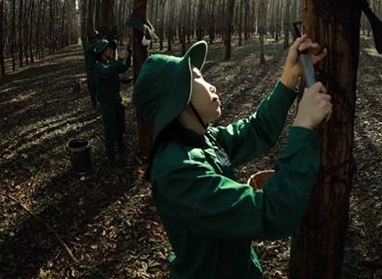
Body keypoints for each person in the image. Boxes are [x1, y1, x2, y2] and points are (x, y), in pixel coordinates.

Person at [133, 35, 331, 279]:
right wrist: (303, 128)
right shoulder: (178, 171)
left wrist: (289, 78)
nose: (212, 85)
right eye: (199, 78)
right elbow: (273, 212)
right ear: (179, 98)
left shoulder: (203, 139)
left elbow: (257, 130)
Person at [94, 39, 132, 169]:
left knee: (120, 129)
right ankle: (112, 163)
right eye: (108, 49)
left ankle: (122, 153)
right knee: (111, 133)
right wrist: (118, 62)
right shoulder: (98, 65)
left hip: (117, 102)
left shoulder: (110, 63)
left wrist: (129, 54)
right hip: (108, 106)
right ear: (102, 52)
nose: (111, 50)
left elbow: (123, 67)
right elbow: (108, 71)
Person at [84, 30, 102, 107]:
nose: (96, 39)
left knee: (98, 85)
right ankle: (93, 101)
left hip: (96, 68)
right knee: (92, 87)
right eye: (95, 37)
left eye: (97, 37)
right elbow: (88, 49)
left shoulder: (95, 45)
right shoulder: (89, 46)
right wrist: (97, 43)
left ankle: (100, 101)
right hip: (90, 69)